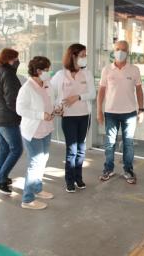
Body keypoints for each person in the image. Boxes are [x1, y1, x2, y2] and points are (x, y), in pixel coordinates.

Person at [97, 40, 144, 184]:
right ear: (113, 50)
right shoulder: (106, 69)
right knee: (110, 143)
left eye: (123, 49)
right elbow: (101, 91)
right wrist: (99, 110)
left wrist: (141, 110)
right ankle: (108, 169)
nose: (120, 52)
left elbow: (139, 90)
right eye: (117, 49)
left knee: (128, 144)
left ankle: (128, 170)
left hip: (129, 113)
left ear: (128, 52)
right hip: (110, 112)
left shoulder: (134, 69)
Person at [51, 43, 96, 193]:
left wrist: (78, 97)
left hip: (84, 116)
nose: (85, 58)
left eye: (85, 55)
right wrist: (56, 106)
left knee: (81, 149)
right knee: (72, 149)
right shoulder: (60, 75)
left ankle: (78, 178)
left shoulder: (87, 74)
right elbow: (52, 93)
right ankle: (69, 180)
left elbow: (92, 94)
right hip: (69, 117)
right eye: (82, 55)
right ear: (73, 56)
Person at [16, 56, 56, 210]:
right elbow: (20, 109)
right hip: (32, 131)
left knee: (43, 160)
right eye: (47, 70)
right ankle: (27, 199)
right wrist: (41, 115)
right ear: (38, 71)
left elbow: (50, 101)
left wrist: (55, 109)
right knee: (35, 164)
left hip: (46, 129)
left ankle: (37, 189)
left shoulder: (46, 84)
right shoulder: (27, 88)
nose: (49, 72)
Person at [0, 48, 23, 195]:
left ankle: (1, 176)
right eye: (15, 58)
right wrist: (21, 114)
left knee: (5, 149)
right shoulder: (8, 74)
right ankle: (0, 179)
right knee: (17, 149)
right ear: (9, 59)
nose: (17, 61)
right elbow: (12, 100)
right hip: (8, 118)